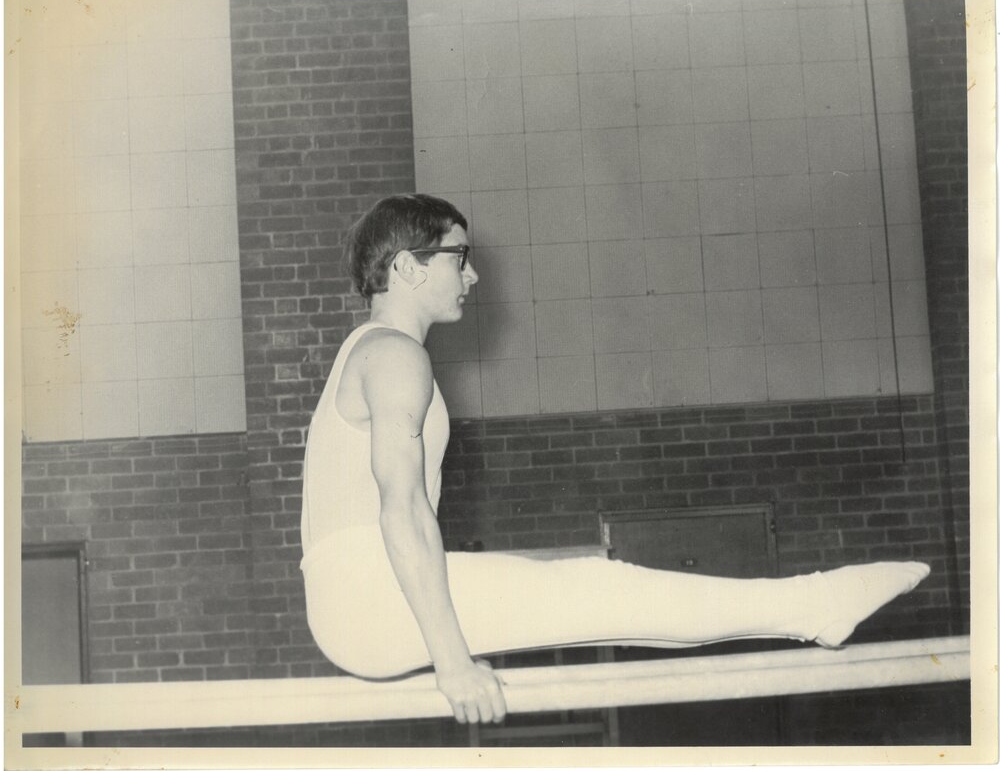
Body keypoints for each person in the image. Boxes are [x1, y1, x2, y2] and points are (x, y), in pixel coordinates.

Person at [299, 194, 930, 726]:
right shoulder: (396, 357)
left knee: (608, 603)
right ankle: (813, 605)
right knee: (601, 588)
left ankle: (807, 611)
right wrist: (452, 659)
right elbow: (403, 510)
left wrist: (454, 644)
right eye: (459, 257)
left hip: (359, 597)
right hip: (368, 594)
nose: (473, 276)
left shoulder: (368, 353)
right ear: (409, 267)